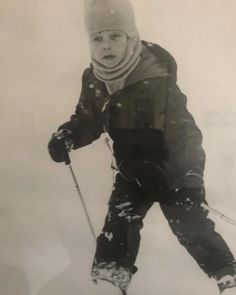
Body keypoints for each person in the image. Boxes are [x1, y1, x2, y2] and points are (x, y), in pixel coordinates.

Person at [48, 0, 236, 294]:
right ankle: (110, 280)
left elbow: (184, 133)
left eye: (114, 35)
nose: (105, 45)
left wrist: (187, 178)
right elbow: (88, 120)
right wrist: (68, 135)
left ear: (130, 37)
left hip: (173, 167)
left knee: (189, 224)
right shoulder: (96, 78)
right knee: (119, 222)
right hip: (131, 169)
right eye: (97, 38)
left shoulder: (156, 79)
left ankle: (228, 277)